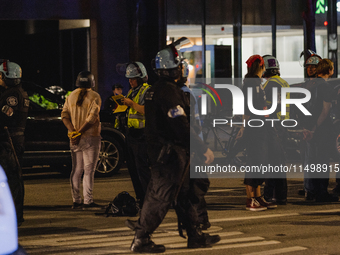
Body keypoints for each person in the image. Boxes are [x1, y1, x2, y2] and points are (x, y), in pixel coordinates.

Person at [129, 44, 219, 253]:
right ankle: (141, 239)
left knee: (185, 195)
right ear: (171, 69)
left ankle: (194, 235)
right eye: (178, 66)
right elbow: (180, 125)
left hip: (168, 154)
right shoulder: (169, 93)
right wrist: (202, 147)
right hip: (169, 156)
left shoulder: (154, 91)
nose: (181, 69)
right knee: (160, 198)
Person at [236, 55, 278, 211]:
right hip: (255, 128)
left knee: (259, 161)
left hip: (259, 126)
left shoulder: (254, 83)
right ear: (260, 67)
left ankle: (257, 197)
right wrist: (244, 127)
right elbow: (247, 108)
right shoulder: (252, 84)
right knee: (255, 161)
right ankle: (251, 199)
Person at [61, 71, 103, 210]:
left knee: (76, 169)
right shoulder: (95, 97)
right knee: (88, 170)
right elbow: (92, 119)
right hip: (91, 137)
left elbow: (64, 115)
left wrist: (73, 131)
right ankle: (88, 201)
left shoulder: (70, 96)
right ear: (92, 82)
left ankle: (76, 200)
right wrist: (80, 132)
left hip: (74, 139)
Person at [178, 59, 211, 230]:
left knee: (195, 185)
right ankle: (197, 220)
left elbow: (189, 124)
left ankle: (200, 220)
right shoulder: (184, 92)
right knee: (191, 185)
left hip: (192, 146)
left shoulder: (183, 94)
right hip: (192, 144)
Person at [301, 59, 338, 202]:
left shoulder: (309, 85)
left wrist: (306, 128)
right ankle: (322, 192)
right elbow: (325, 110)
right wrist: (315, 128)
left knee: (310, 160)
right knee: (322, 161)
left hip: (308, 127)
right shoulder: (326, 87)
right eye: (332, 68)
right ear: (329, 70)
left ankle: (310, 192)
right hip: (321, 130)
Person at [0, 60, 28, 226]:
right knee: (12, 178)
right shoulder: (18, 92)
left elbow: (3, 117)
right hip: (13, 140)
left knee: (11, 179)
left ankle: (14, 216)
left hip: (8, 141)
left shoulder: (11, 95)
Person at [122, 62, 151, 209]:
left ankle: (148, 198)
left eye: (132, 78)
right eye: (129, 78)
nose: (130, 81)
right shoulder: (131, 91)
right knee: (133, 169)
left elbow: (147, 110)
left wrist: (131, 104)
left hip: (142, 136)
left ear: (140, 78)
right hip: (131, 135)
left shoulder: (147, 91)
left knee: (142, 169)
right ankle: (141, 197)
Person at [261, 55, 288, 205]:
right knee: (279, 162)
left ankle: (269, 195)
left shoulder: (270, 85)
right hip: (282, 124)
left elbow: (271, 107)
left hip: (274, 126)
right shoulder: (282, 82)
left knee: (271, 162)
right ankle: (281, 195)